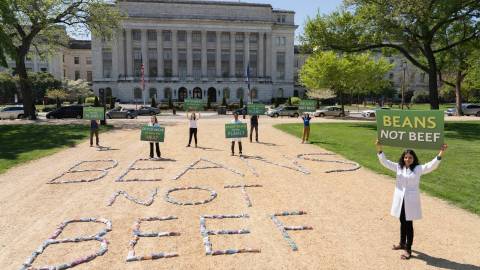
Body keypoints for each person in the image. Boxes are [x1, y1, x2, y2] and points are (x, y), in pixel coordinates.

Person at [375, 140, 447, 260]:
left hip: (411, 201)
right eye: (406, 157)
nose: (407, 159)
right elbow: (385, 162)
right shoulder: (399, 167)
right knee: (402, 221)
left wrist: (441, 152)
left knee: (408, 224)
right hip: (400, 199)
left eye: (410, 157)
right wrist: (379, 148)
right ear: (403, 158)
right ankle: (402, 243)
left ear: (414, 159)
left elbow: (432, 165)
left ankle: (408, 249)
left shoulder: (418, 169)